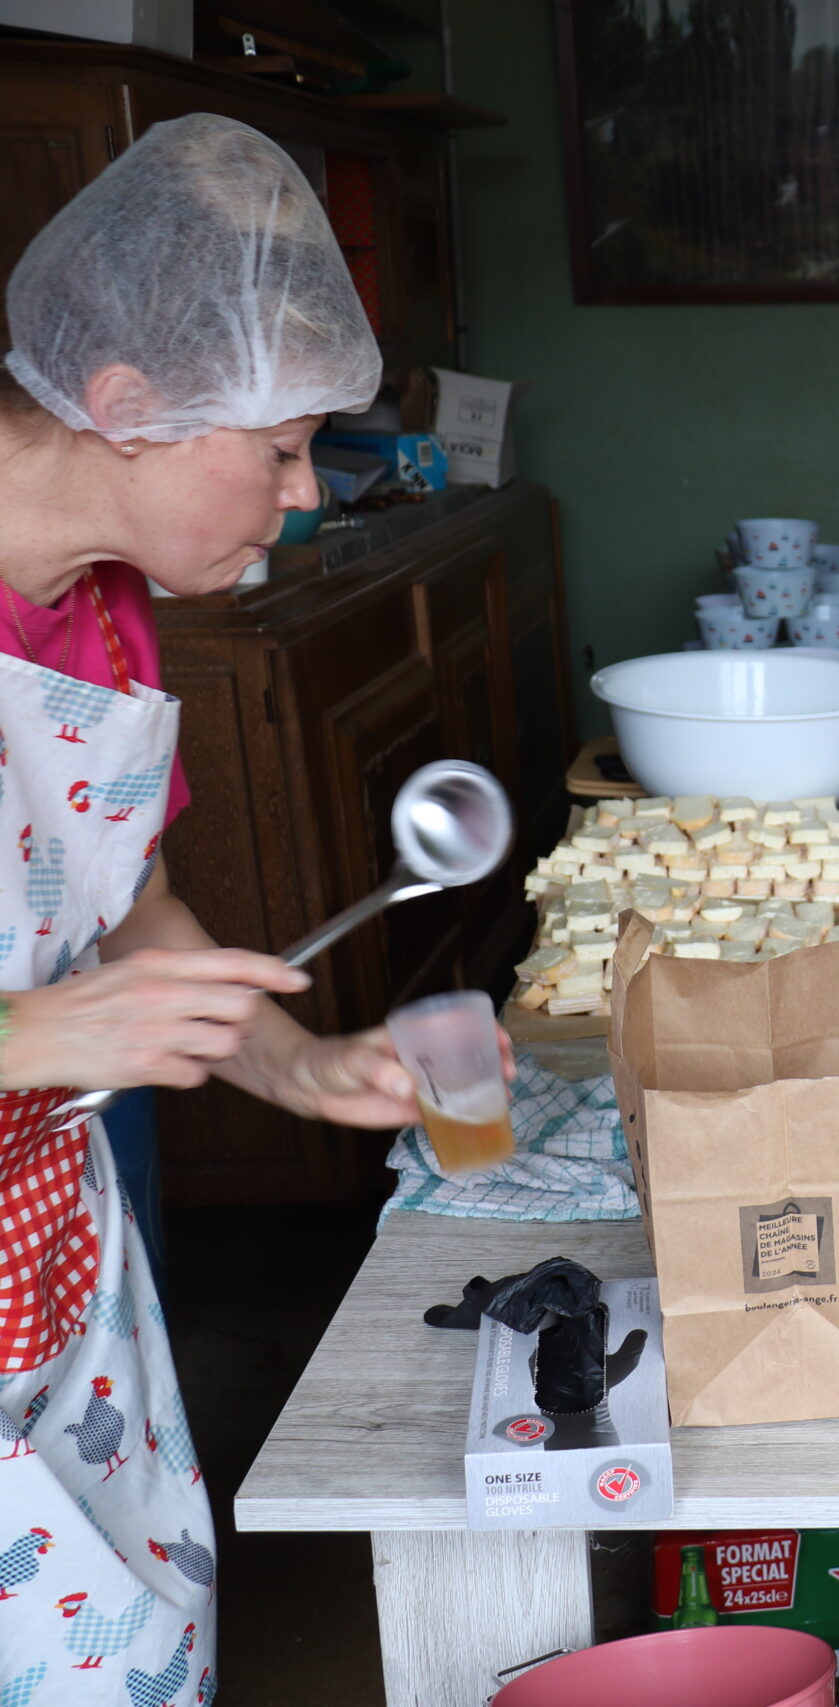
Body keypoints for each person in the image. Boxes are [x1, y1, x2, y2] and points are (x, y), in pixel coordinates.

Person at [0, 114, 467, 1703]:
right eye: (275, 450)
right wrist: (37, 1029)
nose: (307, 492)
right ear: (126, 407)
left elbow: (124, 902)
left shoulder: (101, 615)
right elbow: (62, 993)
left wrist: (293, 1063)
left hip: (51, 1264)